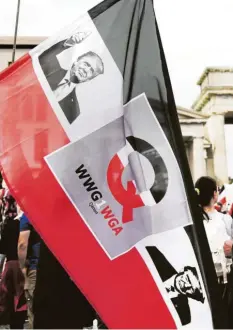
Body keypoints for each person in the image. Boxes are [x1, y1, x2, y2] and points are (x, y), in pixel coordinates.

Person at [39, 31, 104, 124]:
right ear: (76, 61)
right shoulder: (51, 68)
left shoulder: (74, 111)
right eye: (86, 64)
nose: (86, 70)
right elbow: (44, 57)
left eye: (91, 71)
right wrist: (70, 42)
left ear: (89, 79)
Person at [146, 246, 204, 326]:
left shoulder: (184, 317)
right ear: (183, 270)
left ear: (193, 296)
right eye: (187, 278)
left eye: (191, 289)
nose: (185, 285)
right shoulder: (153, 255)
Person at [0, 183, 27, 329]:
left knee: (7, 295)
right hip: (23, 263)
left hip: (11, 263)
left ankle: (8, 321)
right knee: (20, 296)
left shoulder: (9, 225)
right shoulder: (29, 223)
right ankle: (18, 322)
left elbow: (2, 250)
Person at [18, 214, 41, 329]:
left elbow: (22, 244)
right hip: (57, 269)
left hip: (35, 268)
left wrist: (22, 268)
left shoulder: (27, 217)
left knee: (34, 311)